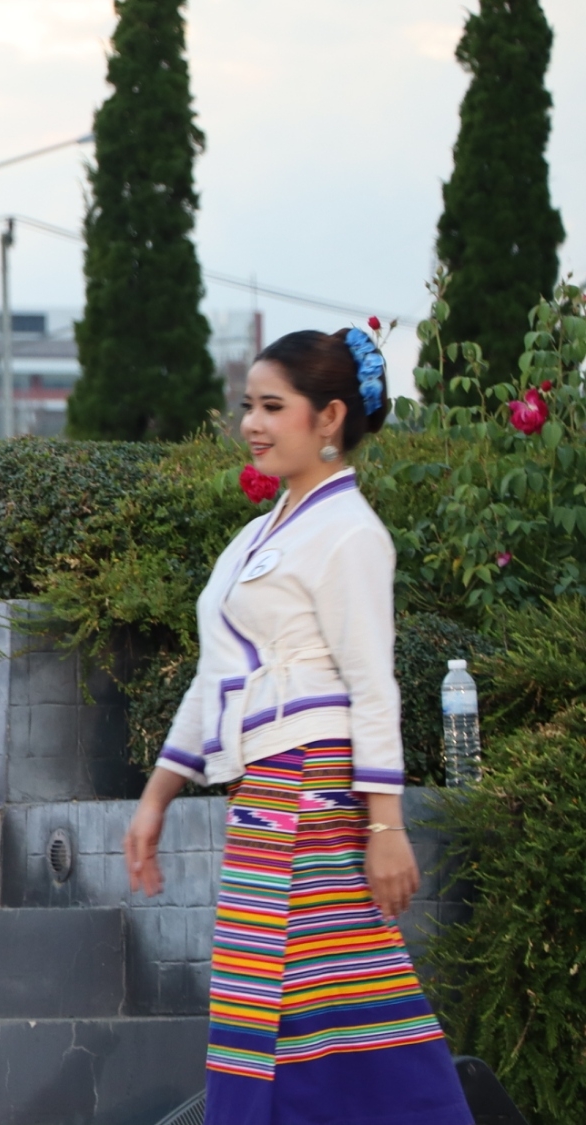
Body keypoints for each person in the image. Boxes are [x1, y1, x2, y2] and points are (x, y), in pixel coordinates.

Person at [125, 328, 473, 1125]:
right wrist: (157, 796)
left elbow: (370, 682)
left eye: (272, 405)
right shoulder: (256, 536)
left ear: (329, 416)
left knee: (317, 1012)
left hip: (313, 797)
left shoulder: (350, 531)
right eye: (249, 404)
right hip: (266, 803)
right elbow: (217, 674)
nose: (252, 421)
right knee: (288, 1016)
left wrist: (386, 823)